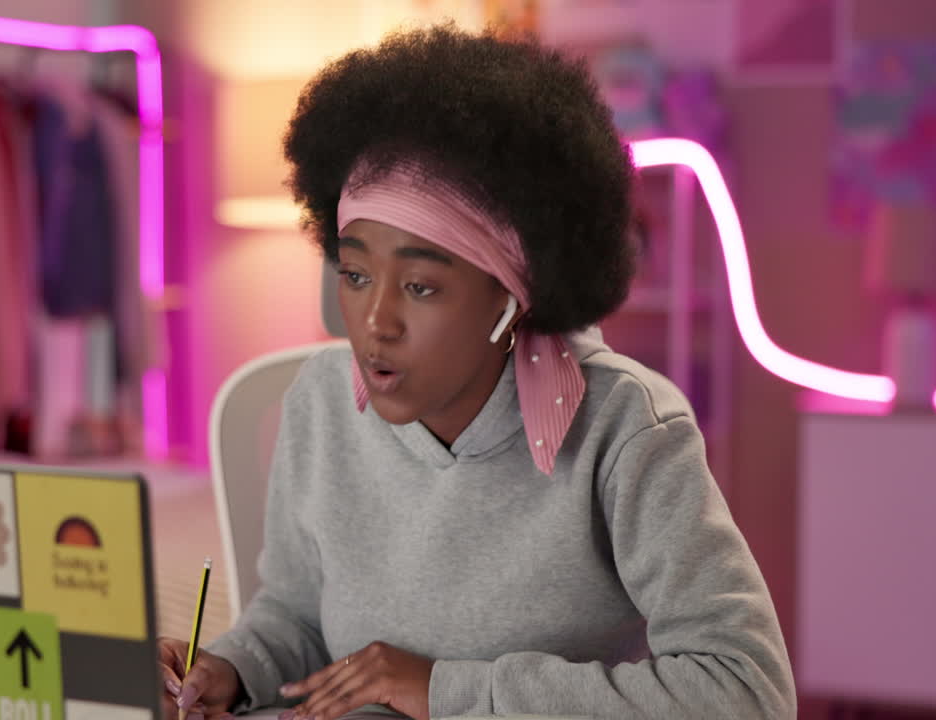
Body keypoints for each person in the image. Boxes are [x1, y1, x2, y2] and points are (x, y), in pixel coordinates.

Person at [159, 23, 796, 720]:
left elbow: (745, 691)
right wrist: (229, 668)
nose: (375, 323)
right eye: (355, 273)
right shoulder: (318, 405)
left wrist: (445, 690)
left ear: (512, 293)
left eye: (421, 287)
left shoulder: (627, 429)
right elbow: (299, 616)